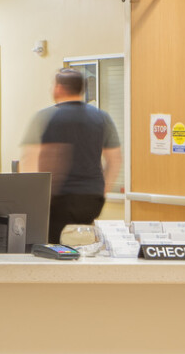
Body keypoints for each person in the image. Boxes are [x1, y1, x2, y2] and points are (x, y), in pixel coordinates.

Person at [21, 67, 123, 242]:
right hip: (92, 199)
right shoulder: (102, 118)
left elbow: (30, 159)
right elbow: (115, 160)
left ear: (59, 88)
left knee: (52, 246)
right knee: (83, 245)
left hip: (58, 200)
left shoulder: (46, 117)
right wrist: (101, 190)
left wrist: (35, 198)